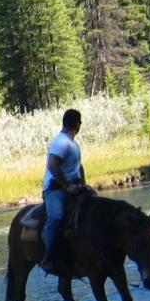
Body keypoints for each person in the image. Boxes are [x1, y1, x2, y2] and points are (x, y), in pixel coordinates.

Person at [42, 108, 86, 272]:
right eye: (79, 122)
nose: (80, 125)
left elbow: (78, 167)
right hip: (54, 189)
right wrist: (67, 186)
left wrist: (84, 185)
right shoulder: (61, 142)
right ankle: (48, 256)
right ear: (76, 124)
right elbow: (52, 165)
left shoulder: (72, 143)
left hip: (74, 187)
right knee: (57, 216)